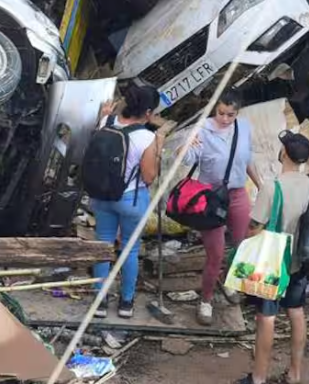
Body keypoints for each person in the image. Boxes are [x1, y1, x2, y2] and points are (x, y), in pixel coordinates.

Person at [240, 131, 309, 384]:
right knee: (296, 311)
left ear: (284, 153)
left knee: (266, 318)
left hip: (271, 261)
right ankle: (295, 373)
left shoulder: (272, 187)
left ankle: (259, 378)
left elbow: (255, 226)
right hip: (301, 258)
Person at [182, 91, 260, 325]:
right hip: (210, 197)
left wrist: (261, 184)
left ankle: (229, 281)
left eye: (230, 115)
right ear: (214, 109)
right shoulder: (203, 129)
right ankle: (205, 300)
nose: (225, 119)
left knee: (242, 244)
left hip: (237, 193)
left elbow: (247, 160)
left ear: (238, 113)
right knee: (215, 253)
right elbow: (187, 158)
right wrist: (186, 145)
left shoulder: (244, 128)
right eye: (221, 113)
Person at [90, 84, 165, 320]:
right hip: (130, 199)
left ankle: (100, 302)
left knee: (102, 246)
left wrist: (103, 115)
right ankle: (125, 302)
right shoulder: (147, 137)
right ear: (149, 112)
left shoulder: (107, 123)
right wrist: (159, 150)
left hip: (101, 196)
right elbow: (149, 176)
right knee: (129, 250)